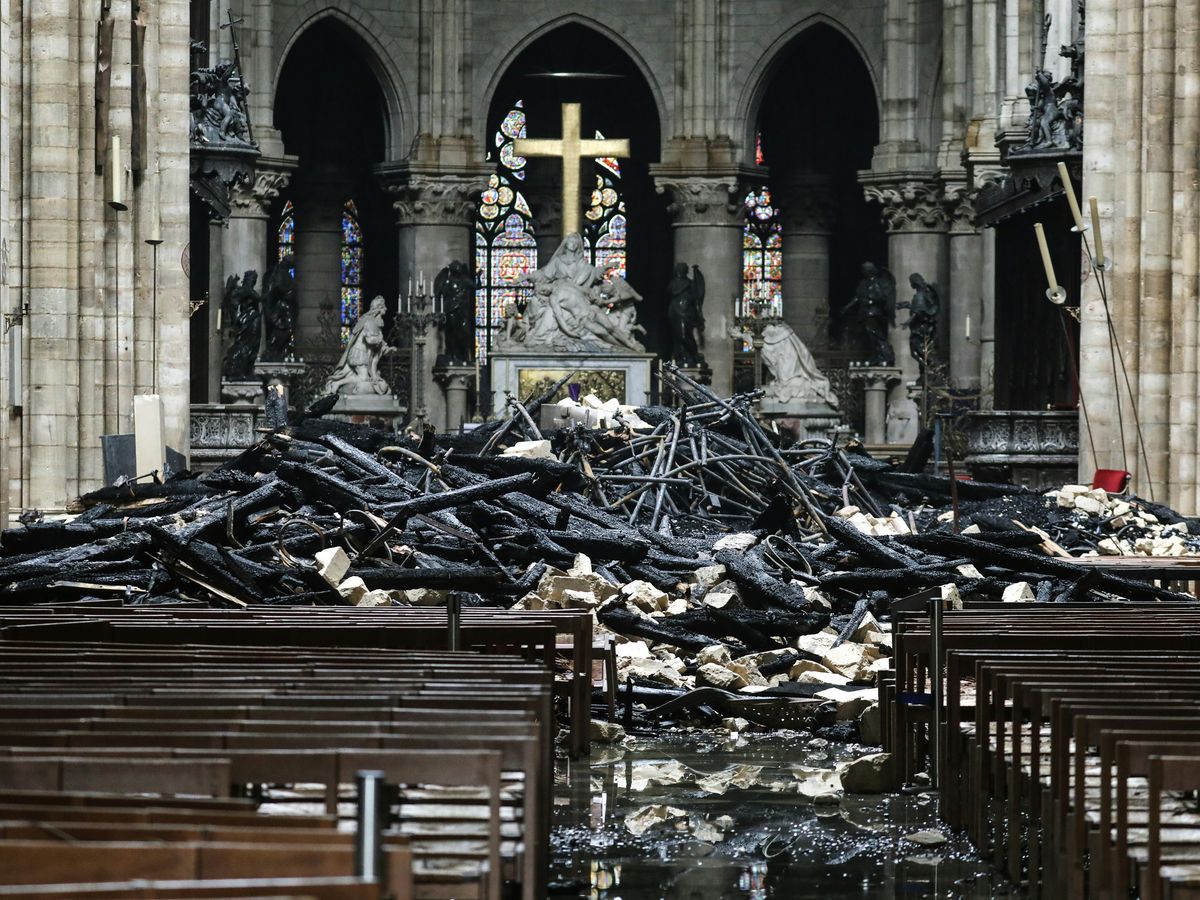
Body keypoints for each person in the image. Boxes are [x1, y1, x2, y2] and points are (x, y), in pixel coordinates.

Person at [323, 295, 395, 396]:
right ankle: (336, 384)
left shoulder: (374, 321)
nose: (386, 309)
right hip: (359, 353)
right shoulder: (369, 321)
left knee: (364, 378)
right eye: (383, 307)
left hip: (364, 354)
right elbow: (369, 339)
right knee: (363, 378)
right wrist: (379, 339)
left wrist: (386, 348)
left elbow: (377, 339)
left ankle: (337, 384)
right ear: (378, 308)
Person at [666, 263, 705, 366]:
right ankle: (682, 357)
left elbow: (696, 299)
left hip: (686, 312)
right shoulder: (673, 283)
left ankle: (693, 355)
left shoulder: (690, 283)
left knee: (685, 335)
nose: (679, 271)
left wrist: (699, 315)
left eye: (682, 269)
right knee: (678, 337)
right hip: (675, 312)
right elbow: (671, 292)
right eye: (678, 269)